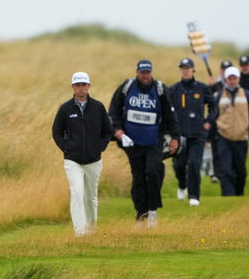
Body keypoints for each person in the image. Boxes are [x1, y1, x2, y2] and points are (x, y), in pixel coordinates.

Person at [109, 60, 180, 227]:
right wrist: (117, 130)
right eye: (142, 72)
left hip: (154, 141)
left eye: (147, 72)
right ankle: (141, 215)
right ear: (137, 72)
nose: (145, 75)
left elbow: (171, 116)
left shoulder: (160, 90)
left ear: (151, 73)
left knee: (154, 171)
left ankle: (153, 210)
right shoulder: (126, 88)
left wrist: (175, 137)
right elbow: (114, 111)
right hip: (132, 143)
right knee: (138, 178)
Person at [52, 72, 113, 236]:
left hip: (94, 160)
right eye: (78, 85)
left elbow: (108, 131)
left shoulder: (98, 107)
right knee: (77, 193)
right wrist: (66, 147)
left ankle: (91, 230)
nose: (81, 88)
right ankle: (80, 233)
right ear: (73, 87)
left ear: (89, 86)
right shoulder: (66, 108)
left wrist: (100, 147)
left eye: (84, 85)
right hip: (73, 160)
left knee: (91, 197)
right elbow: (57, 132)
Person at [168, 58, 215, 206]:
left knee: (194, 164)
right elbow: (167, 110)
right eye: (183, 68)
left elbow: (214, 106)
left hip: (198, 133)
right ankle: (182, 185)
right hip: (179, 135)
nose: (186, 70)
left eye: (188, 68)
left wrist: (208, 122)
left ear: (193, 70)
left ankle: (194, 196)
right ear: (180, 70)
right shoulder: (173, 89)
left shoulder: (202, 88)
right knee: (179, 166)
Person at [213, 66, 249, 196]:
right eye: (230, 79)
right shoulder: (217, 96)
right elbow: (213, 115)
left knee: (241, 171)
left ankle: (238, 193)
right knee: (225, 169)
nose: (232, 81)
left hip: (241, 137)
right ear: (226, 79)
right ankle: (227, 195)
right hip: (224, 136)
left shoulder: (247, 94)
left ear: (238, 79)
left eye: (234, 78)